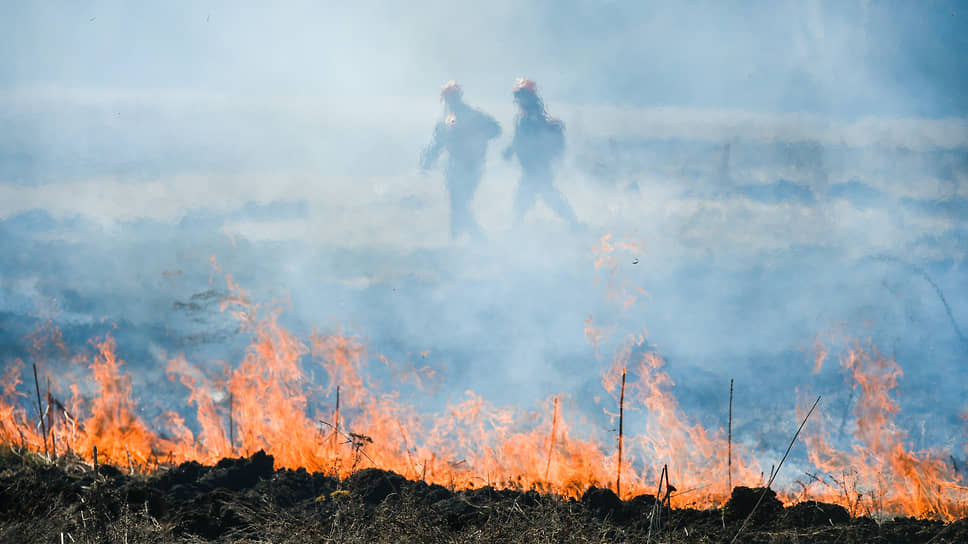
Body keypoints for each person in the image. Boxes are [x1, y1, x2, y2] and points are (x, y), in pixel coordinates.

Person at [420, 81, 501, 241]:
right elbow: (438, 143)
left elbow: (495, 130)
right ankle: (456, 238)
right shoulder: (447, 121)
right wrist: (428, 161)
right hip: (456, 166)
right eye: (449, 99)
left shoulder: (474, 117)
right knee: (456, 203)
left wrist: (474, 134)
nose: (451, 102)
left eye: (452, 98)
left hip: (471, 165)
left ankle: (478, 239)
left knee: (459, 205)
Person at [503, 78, 581, 230]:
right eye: (517, 96)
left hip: (538, 166)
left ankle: (515, 227)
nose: (518, 99)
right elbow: (520, 139)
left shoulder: (534, 117)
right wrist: (511, 150)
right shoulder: (523, 117)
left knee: (536, 195)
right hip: (530, 166)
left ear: (530, 96)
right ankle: (574, 223)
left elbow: (537, 140)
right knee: (542, 195)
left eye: (521, 95)